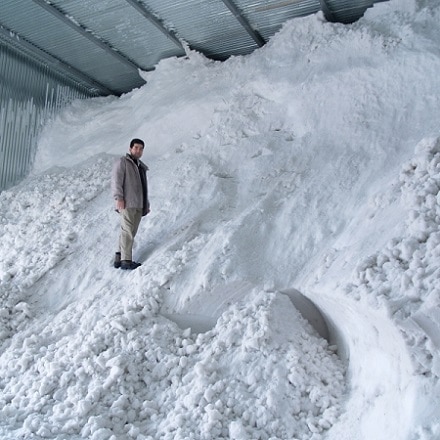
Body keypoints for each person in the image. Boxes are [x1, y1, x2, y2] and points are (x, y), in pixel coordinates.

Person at [111, 138, 150, 270]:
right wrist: (118, 198)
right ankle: (126, 261)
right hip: (127, 203)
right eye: (136, 148)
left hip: (138, 204)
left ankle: (119, 257)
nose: (138, 150)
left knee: (129, 232)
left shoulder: (140, 166)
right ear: (130, 149)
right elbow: (116, 180)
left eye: (141, 149)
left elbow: (144, 187)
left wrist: (146, 204)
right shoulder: (123, 162)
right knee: (128, 231)